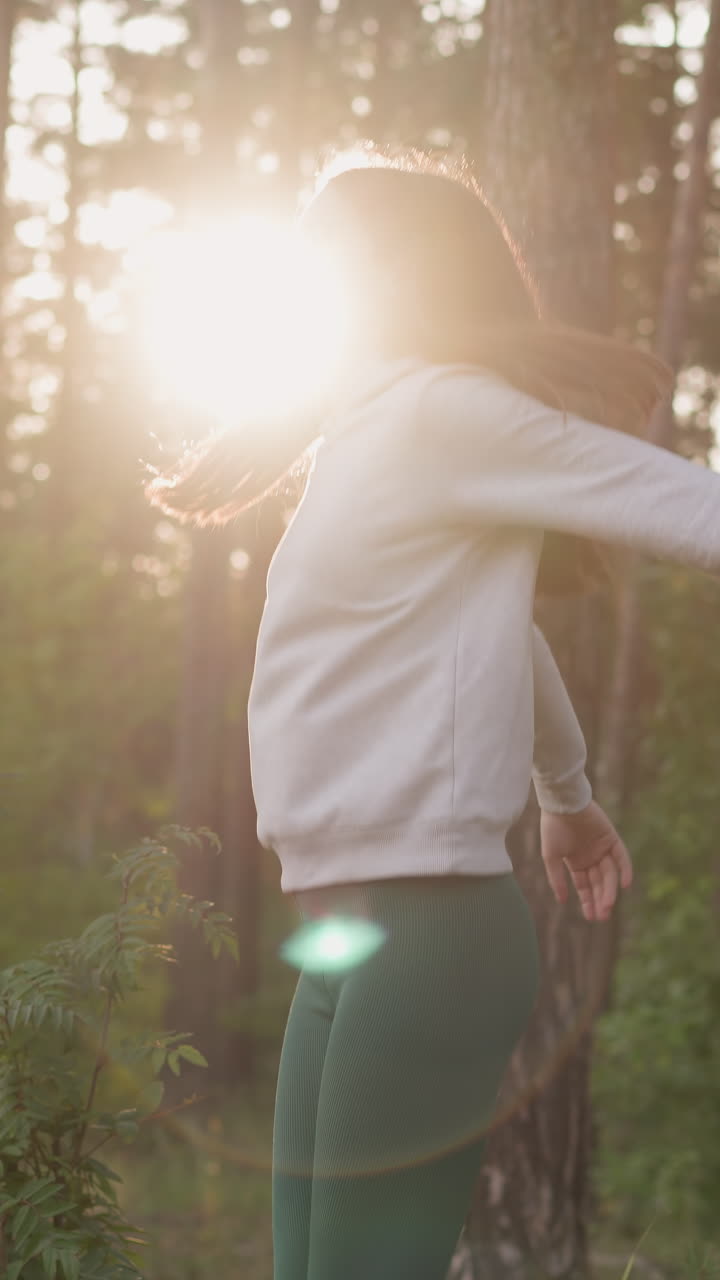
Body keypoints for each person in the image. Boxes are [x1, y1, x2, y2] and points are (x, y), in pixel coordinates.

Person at [147, 150, 720, 1280]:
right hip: (342, 941)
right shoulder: (359, 437)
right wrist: (568, 797)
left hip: (432, 929)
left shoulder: (442, 412)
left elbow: (680, 502)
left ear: (395, 274)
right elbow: (502, 631)